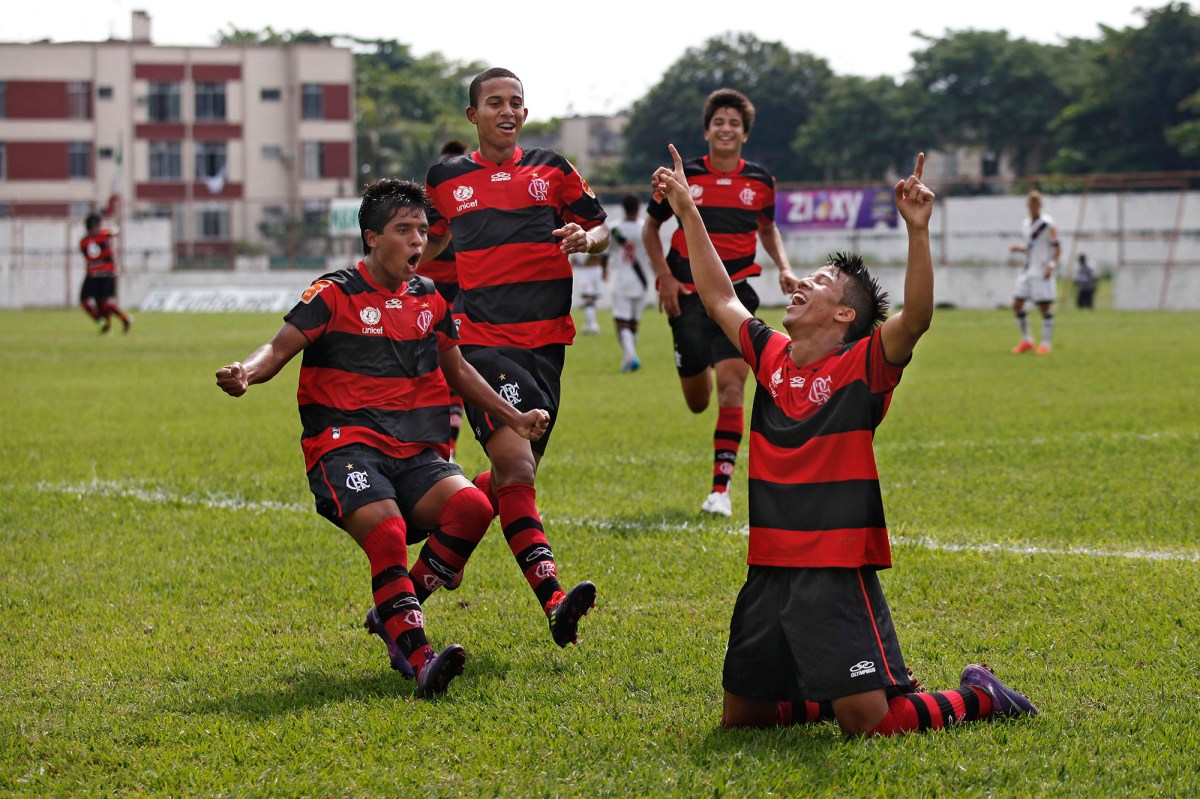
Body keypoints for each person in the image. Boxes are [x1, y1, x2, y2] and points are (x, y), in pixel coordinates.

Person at [651, 145, 1038, 736]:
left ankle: (979, 696)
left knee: (871, 723)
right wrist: (687, 209)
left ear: (843, 317)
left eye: (823, 282)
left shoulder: (863, 366)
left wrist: (918, 231)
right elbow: (719, 297)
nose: (803, 282)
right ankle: (840, 693)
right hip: (769, 565)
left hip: (832, 567)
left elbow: (916, 319)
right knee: (744, 720)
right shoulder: (772, 356)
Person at [215, 178, 550, 696]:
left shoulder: (430, 298)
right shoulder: (333, 292)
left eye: (422, 230)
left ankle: (393, 611)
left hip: (414, 451)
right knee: (389, 533)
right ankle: (419, 658)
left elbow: (459, 371)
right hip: (344, 446)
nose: (417, 240)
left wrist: (514, 417)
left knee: (472, 508)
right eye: (403, 229)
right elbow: (277, 350)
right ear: (372, 238)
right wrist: (246, 371)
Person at [421, 67, 609, 647]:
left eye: (516, 103)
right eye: (495, 102)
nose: (507, 111)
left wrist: (585, 240)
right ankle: (554, 600)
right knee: (520, 469)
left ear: (525, 114)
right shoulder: (446, 179)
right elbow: (429, 241)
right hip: (482, 343)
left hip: (547, 347)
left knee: (507, 482)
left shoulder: (553, 169)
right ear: (473, 115)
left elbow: (601, 229)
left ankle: (412, 587)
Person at [643, 89, 799, 518]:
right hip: (687, 297)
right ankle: (702, 362)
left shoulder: (761, 181)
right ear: (707, 131)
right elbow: (650, 230)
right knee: (698, 400)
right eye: (719, 122)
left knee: (733, 388)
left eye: (734, 123)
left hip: (737, 295)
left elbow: (767, 229)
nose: (726, 129)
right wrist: (665, 276)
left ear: (744, 134)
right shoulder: (685, 176)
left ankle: (720, 492)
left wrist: (784, 267)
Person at [420, 139, 470, 461]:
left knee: (456, 379)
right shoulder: (422, 214)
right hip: (420, 307)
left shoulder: (473, 212)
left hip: (459, 309)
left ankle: (447, 451)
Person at [1009, 190, 1060, 354]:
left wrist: (1051, 265)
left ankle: (1046, 344)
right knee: (1017, 304)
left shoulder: (1048, 224)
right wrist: (1019, 249)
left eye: (1036, 203)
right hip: (1028, 270)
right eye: (1031, 202)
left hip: (1042, 271)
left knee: (1044, 307)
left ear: (1040, 204)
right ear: (1028, 204)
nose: (1033, 206)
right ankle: (1027, 340)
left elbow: (1057, 246)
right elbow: (1031, 247)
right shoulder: (1026, 224)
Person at [610, 194, 650, 372]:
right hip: (641, 281)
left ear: (623, 207)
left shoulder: (615, 229)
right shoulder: (645, 228)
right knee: (633, 324)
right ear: (639, 207)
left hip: (621, 280)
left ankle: (631, 357)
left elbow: (606, 251)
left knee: (621, 323)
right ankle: (628, 359)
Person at [79, 212, 133, 333]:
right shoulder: (100, 236)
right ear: (94, 226)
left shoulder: (87, 240)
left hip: (103, 273)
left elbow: (115, 232)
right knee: (91, 302)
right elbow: (116, 231)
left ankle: (109, 323)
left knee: (102, 303)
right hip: (96, 274)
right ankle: (114, 320)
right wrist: (107, 232)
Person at [574, 251, 607, 335]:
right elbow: (574, 258)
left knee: (593, 298)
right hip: (584, 270)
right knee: (588, 296)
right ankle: (593, 323)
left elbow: (604, 255)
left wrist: (605, 271)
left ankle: (588, 323)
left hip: (597, 270)